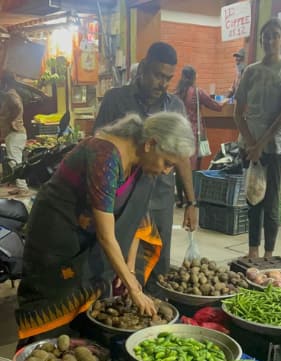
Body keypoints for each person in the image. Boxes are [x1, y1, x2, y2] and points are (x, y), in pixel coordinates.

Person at [16, 112, 194, 340]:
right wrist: (134, 288)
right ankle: (39, 356)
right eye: (167, 163)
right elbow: (106, 236)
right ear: (151, 144)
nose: (166, 171)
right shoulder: (105, 156)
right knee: (54, 300)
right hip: (58, 234)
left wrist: (129, 269)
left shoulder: (142, 162)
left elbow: (135, 217)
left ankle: (83, 342)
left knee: (94, 293)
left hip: (90, 233)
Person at [94, 41, 198, 288]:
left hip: (160, 195)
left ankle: (156, 307)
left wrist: (192, 202)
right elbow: (98, 145)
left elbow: (181, 157)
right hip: (121, 196)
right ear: (142, 68)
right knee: (117, 256)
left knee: (158, 260)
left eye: (168, 78)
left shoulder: (175, 106)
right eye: (157, 75)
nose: (162, 83)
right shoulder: (115, 100)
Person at [234, 18, 281, 261]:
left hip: (274, 145)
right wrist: (251, 144)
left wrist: (261, 144)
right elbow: (238, 111)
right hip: (248, 146)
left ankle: (269, 254)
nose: (270, 40)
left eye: (275, 35)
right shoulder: (251, 71)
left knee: (271, 201)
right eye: (266, 36)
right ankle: (252, 251)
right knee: (253, 198)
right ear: (261, 39)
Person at [175, 66, 224, 183]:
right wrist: (228, 99)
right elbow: (217, 106)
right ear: (193, 77)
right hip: (195, 133)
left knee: (181, 164)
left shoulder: (176, 93)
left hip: (180, 133)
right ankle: (192, 194)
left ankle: (180, 195)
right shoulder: (198, 92)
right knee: (194, 166)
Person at [0, 73, 27, 192]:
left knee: (14, 162)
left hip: (15, 133)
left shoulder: (10, 95)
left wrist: (12, 121)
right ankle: (20, 186)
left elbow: (16, 107)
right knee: (15, 161)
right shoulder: (13, 94)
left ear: (5, 83)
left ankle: (23, 188)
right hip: (16, 133)